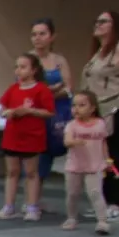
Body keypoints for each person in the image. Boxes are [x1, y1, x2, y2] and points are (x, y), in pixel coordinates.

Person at [0, 52, 53, 221]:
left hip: (32, 136)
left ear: (33, 70)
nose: (18, 71)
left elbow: (49, 112)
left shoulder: (41, 89)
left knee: (31, 172)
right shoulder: (12, 89)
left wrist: (30, 111)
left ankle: (32, 206)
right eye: (17, 67)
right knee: (12, 171)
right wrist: (8, 112)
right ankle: (9, 206)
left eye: (23, 67)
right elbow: (2, 109)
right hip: (12, 135)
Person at [82, 10, 119, 221]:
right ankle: (102, 201)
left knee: (113, 154)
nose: (98, 25)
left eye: (103, 21)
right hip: (97, 109)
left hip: (116, 108)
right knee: (99, 156)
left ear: (115, 25)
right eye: (96, 21)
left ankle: (116, 203)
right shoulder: (98, 52)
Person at [62, 89, 111, 235]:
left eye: (81, 105)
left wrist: (108, 160)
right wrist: (75, 142)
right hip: (74, 166)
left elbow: (103, 142)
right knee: (72, 193)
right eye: (74, 105)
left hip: (94, 166)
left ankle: (102, 221)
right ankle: (71, 217)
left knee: (96, 193)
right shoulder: (72, 125)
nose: (76, 109)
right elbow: (67, 141)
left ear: (92, 108)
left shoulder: (100, 124)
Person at [31, 18, 73, 185]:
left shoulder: (59, 60)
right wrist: (50, 91)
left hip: (58, 112)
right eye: (34, 34)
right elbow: (23, 88)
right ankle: (32, 201)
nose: (37, 38)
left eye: (42, 33)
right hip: (35, 112)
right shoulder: (27, 60)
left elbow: (68, 88)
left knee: (56, 150)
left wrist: (48, 95)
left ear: (52, 36)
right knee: (36, 158)